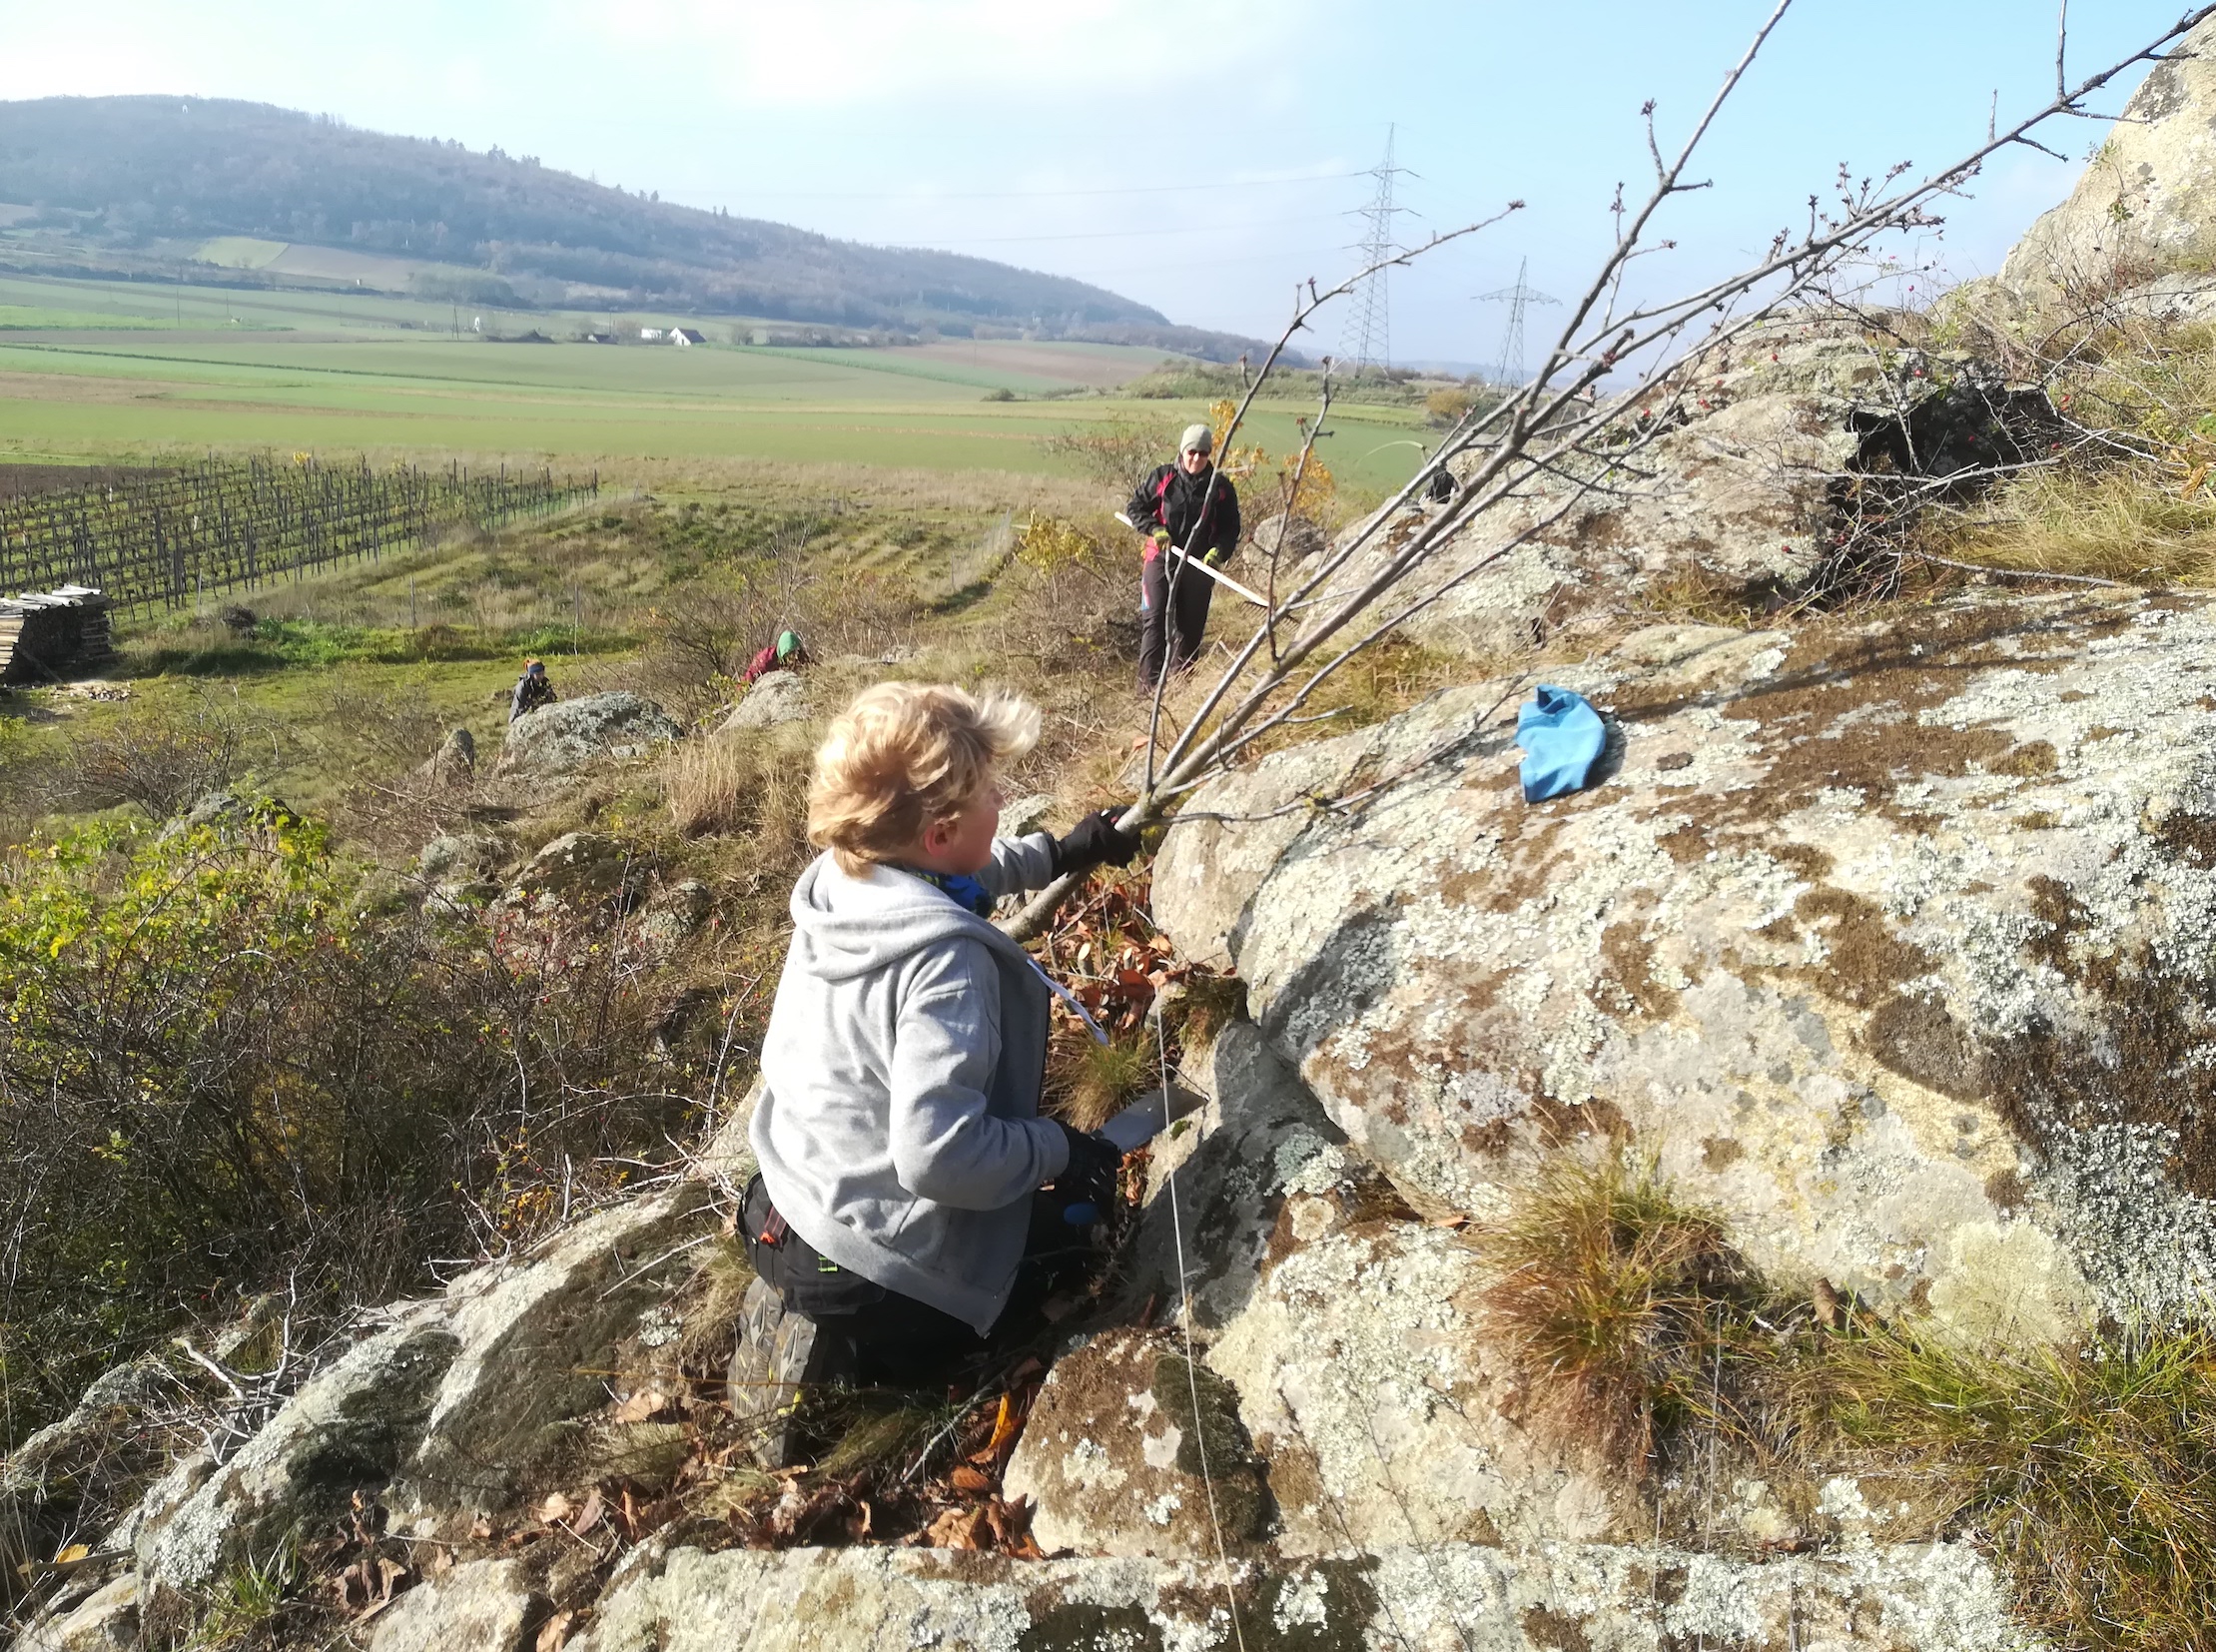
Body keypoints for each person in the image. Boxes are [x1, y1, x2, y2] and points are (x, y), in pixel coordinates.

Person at [735, 682, 1141, 1462]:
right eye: (993, 789)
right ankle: (887, 1363)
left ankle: (818, 1317)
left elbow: (958, 875)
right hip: (866, 1274)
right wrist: (1059, 1148)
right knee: (1073, 1237)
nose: (1003, 795)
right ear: (943, 830)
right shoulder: (944, 964)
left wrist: (1062, 852)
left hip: (779, 1205)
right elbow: (938, 1157)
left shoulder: (842, 876)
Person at [1127, 423, 1241, 690]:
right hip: (1161, 559)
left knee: (1189, 632)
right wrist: (1155, 529)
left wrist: (1219, 551)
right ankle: (1147, 691)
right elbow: (1135, 507)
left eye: (1203, 453)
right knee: (1155, 622)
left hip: (1199, 566)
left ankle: (1180, 692)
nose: (1196, 459)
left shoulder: (1220, 488)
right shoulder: (1163, 477)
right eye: (1192, 452)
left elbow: (1230, 527)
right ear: (1182, 451)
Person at [743, 628, 809, 687]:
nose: (795, 657)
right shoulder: (765, 660)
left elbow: (813, 667)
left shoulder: (800, 656)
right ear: (783, 654)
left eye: (796, 652)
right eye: (790, 654)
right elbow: (748, 679)